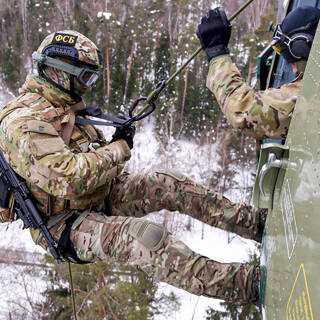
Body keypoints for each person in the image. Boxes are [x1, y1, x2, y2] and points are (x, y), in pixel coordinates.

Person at [0, 30, 263, 305]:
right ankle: (246, 284)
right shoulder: (23, 122)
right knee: (143, 239)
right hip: (65, 225)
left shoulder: (65, 106)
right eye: (84, 78)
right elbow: (69, 178)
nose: (88, 86)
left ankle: (254, 223)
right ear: (59, 72)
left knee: (167, 182)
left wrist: (114, 141)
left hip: (99, 195)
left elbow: (93, 165)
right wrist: (119, 148)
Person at [197, 6, 320, 140]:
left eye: (289, 54)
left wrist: (217, 54)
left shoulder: (311, 94)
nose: (292, 67)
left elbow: (245, 110)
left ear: (302, 48)